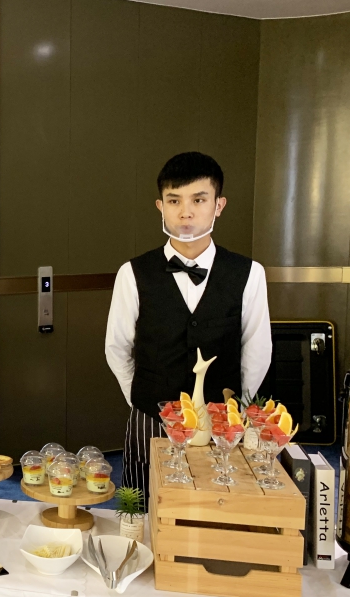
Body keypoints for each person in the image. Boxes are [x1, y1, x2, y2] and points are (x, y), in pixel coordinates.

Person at [104, 152, 271, 506]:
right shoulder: (132, 273)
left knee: (215, 509)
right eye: (174, 200)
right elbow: (117, 347)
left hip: (220, 423)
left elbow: (257, 350)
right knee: (141, 509)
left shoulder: (249, 273)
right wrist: (142, 401)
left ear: (218, 205)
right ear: (160, 207)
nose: (186, 212)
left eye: (198, 200)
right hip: (151, 420)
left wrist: (233, 415)